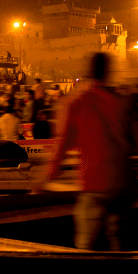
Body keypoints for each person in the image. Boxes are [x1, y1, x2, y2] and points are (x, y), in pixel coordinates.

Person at [44, 52, 138, 251]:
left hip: (94, 184)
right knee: (122, 244)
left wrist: (47, 177)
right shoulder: (123, 101)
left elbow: (62, 146)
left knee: (86, 246)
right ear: (109, 72)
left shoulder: (75, 103)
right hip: (123, 184)